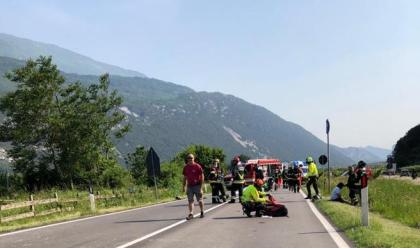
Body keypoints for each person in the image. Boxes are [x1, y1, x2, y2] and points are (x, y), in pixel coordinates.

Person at [183, 154, 205, 220]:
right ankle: (191, 213)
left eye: (191, 158)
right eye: (189, 158)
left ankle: (202, 211)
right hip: (189, 186)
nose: (190, 159)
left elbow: (202, 176)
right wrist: (184, 186)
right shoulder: (186, 167)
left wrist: (201, 188)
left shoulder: (197, 166)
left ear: (194, 158)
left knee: (200, 200)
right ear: (187, 159)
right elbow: (185, 177)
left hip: (197, 185)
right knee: (190, 201)